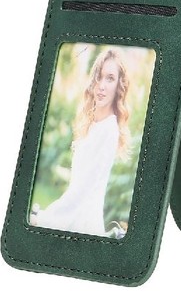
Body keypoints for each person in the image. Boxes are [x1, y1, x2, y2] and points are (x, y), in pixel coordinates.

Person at [32, 48, 130, 236]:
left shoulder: (109, 130)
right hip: (72, 220)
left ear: (119, 86)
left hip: (82, 226)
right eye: (99, 77)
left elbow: (82, 191)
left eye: (110, 78)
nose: (101, 85)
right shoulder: (93, 126)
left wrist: (43, 219)